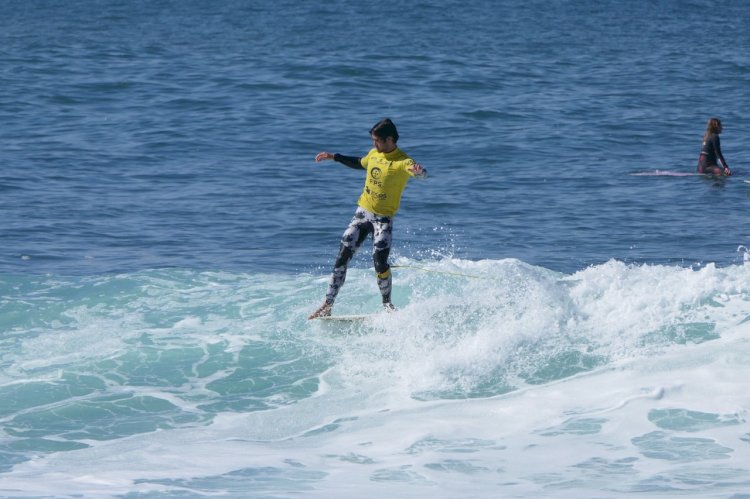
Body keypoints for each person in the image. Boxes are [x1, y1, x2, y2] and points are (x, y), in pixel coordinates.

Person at [308, 118, 427, 319]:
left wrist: (420, 172)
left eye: (377, 141)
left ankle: (387, 305)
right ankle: (327, 305)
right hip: (362, 214)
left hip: (383, 220)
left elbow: (419, 172)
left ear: (389, 139)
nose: (374, 145)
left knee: (380, 264)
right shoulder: (374, 154)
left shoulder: (402, 161)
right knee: (342, 257)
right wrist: (334, 157)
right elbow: (359, 162)